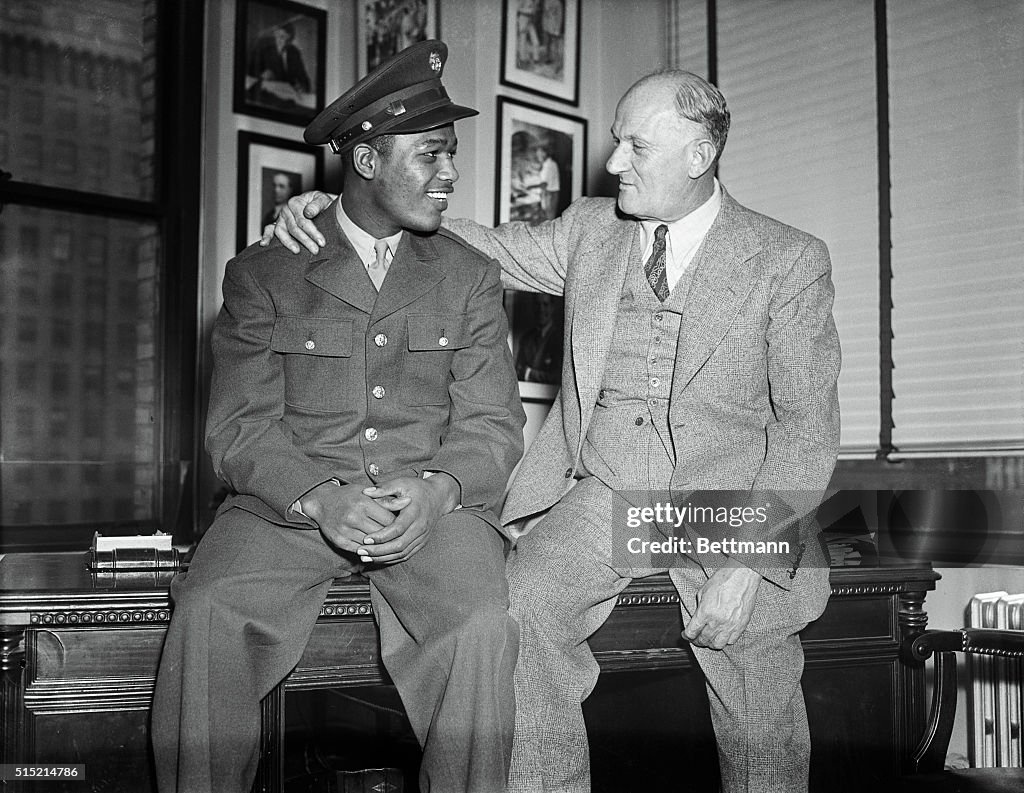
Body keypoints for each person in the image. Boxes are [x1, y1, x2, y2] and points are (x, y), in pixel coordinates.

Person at [269, 69, 841, 793]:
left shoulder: (788, 259)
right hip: (608, 497)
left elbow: (806, 430)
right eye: (616, 141)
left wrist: (745, 565)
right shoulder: (591, 230)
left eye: (636, 147)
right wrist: (349, 207)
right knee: (519, 614)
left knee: (755, 661)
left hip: (726, 503)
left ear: (699, 156)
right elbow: (475, 242)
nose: (614, 162)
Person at [153, 40, 525, 793]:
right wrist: (321, 498)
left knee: (483, 624)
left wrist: (440, 491)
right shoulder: (265, 272)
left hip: (428, 510)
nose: (451, 174)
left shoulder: (469, 274)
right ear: (365, 161)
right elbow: (239, 428)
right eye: (430, 155)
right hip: (288, 508)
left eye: (451, 154)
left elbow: (492, 423)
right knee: (208, 613)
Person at [246, 22, 311, 107]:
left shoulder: (294, 52)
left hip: (289, 97)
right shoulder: (265, 50)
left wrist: (303, 87)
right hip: (269, 95)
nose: (281, 40)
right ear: (275, 35)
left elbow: (303, 77)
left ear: (290, 39)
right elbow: (250, 71)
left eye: (285, 38)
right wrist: (261, 75)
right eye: (279, 36)